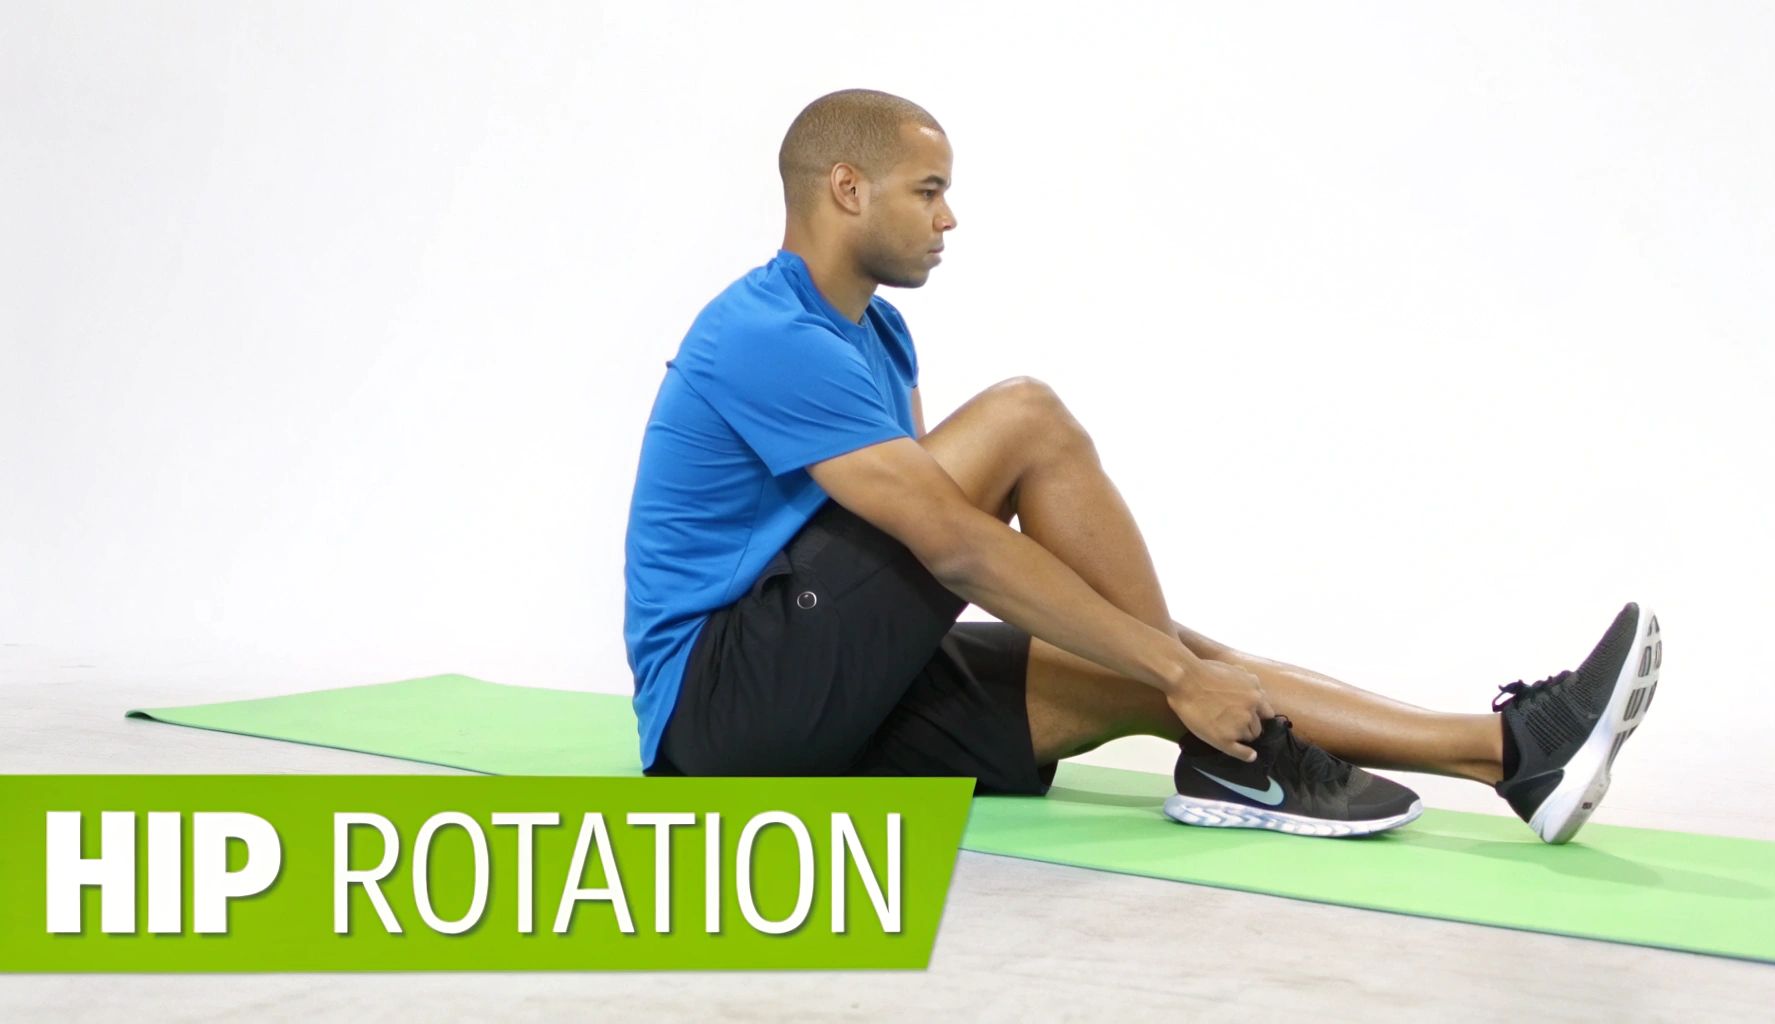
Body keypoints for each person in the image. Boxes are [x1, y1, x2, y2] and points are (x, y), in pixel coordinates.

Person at [623, 88, 1662, 843]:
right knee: (1028, 423)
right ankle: (1230, 739)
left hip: (817, 698)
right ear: (845, 189)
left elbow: (941, 555)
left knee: (1152, 664)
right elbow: (948, 542)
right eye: (927, 190)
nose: (948, 217)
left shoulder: (877, 338)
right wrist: (1169, 663)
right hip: (722, 718)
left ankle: (1512, 752)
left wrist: (1168, 661)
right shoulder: (764, 332)